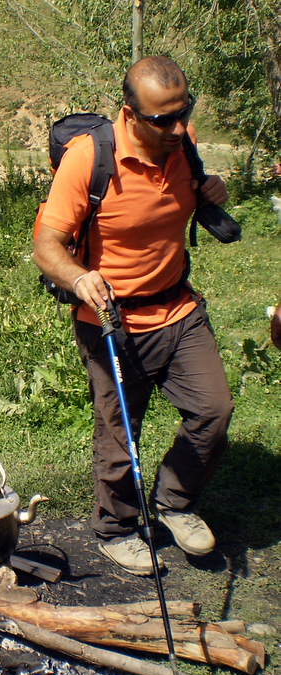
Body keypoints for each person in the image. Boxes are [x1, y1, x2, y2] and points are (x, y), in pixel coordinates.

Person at [33, 55, 234, 576]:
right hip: (111, 319)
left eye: (183, 112)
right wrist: (79, 277)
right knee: (120, 432)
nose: (177, 127)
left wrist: (211, 192)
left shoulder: (180, 145)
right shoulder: (89, 158)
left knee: (213, 412)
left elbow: (183, 198)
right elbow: (46, 245)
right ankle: (117, 527)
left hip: (179, 307)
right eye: (163, 119)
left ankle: (173, 501)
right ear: (131, 113)